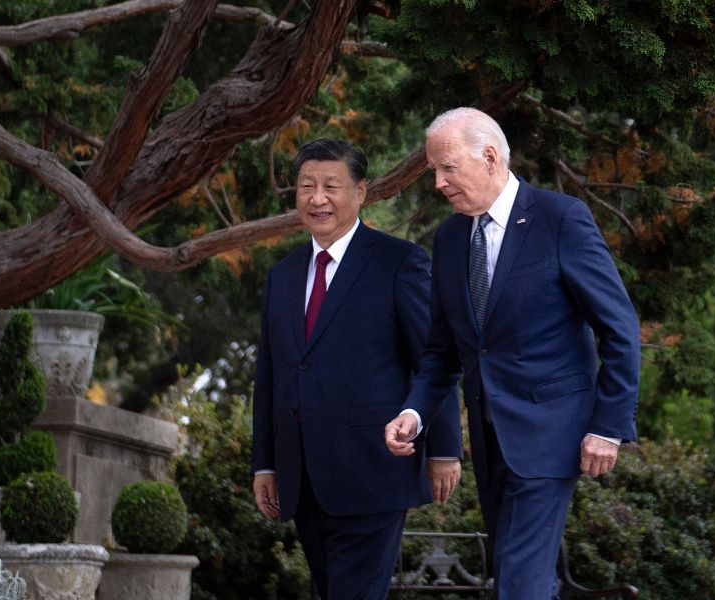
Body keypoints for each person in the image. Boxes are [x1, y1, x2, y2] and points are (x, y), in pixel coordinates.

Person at [384, 108, 641, 599]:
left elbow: (619, 328)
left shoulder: (560, 219)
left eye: (447, 168)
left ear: (488, 157)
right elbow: (443, 352)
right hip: (490, 440)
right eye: (434, 170)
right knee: (519, 577)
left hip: (551, 435)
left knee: (519, 582)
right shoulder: (450, 238)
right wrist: (413, 413)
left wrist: (608, 427)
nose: (438, 183)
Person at [251, 138, 462, 600]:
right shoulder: (282, 276)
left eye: (331, 186)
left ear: (361, 191)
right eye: (306, 186)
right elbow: (270, 376)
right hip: (302, 474)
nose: (317, 198)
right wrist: (265, 462)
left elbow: (434, 358)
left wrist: (445, 449)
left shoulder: (399, 262)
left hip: (373, 468)